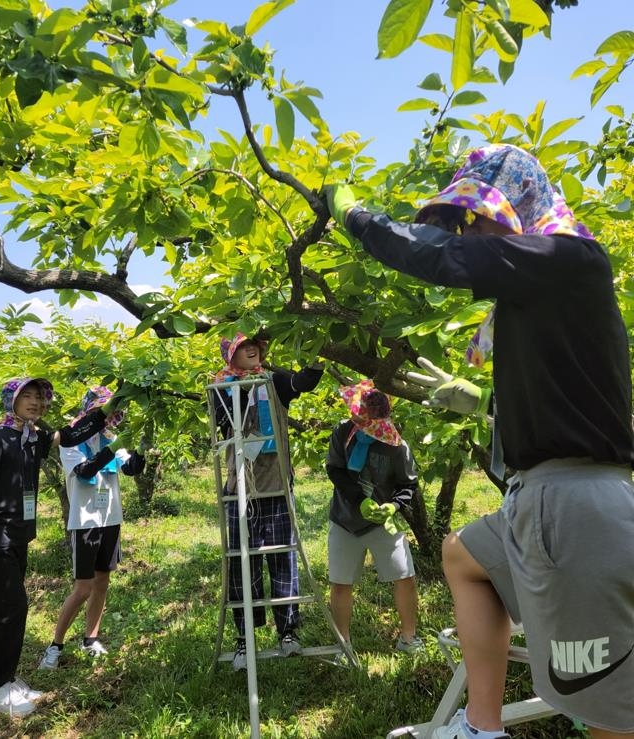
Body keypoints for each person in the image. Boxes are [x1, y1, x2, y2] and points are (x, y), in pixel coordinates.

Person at [325, 144, 634, 739]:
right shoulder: (544, 292)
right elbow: (569, 397)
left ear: (520, 201)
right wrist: (487, 403)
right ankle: (482, 726)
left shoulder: (570, 256)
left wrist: (356, 216)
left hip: (571, 508)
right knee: (463, 557)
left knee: (604, 712)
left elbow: (442, 257)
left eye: (479, 213)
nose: (473, 228)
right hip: (540, 498)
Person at [0, 377, 124, 717]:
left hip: (19, 536)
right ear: (11, 399)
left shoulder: (32, 438)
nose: (35, 402)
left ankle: (7, 680)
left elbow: (69, 435)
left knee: (12, 610)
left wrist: (103, 413)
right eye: (28, 396)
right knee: (13, 609)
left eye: (40, 397)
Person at [212, 332, 324, 670]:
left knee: (282, 557)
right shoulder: (222, 387)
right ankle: (244, 638)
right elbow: (222, 421)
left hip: (275, 481)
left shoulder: (274, 380)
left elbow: (305, 381)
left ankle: (287, 631)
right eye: (243, 345)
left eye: (256, 345)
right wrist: (243, 386)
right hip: (241, 484)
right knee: (242, 564)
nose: (251, 348)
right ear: (230, 354)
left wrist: (317, 348)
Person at [39, 386, 145, 670]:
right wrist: (112, 448)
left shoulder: (111, 437)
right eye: (100, 410)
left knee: (102, 582)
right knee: (83, 587)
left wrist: (143, 448)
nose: (108, 417)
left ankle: (90, 639)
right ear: (89, 411)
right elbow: (85, 471)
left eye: (110, 411)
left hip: (110, 518)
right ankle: (55, 645)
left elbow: (130, 468)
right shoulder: (71, 440)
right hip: (84, 522)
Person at [325, 379, 423, 655]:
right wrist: (359, 499)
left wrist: (393, 507)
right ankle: (343, 643)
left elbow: (408, 484)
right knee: (341, 581)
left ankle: (408, 637)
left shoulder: (395, 445)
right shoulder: (343, 433)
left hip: (383, 523)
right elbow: (335, 469)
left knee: (404, 575)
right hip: (345, 519)